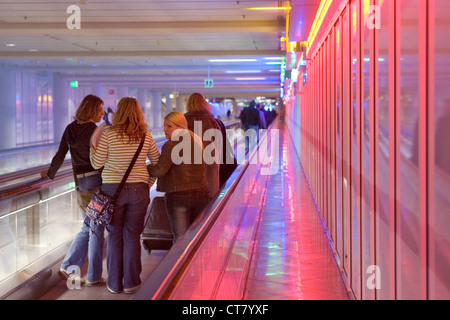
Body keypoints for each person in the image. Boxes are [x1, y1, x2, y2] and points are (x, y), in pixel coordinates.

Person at [90, 97, 160, 294]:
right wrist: (147, 182)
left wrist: (92, 148)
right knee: (132, 235)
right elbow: (156, 162)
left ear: (118, 112)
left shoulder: (109, 135)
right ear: (138, 112)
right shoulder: (146, 136)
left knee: (114, 236)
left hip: (112, 191)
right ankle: (131, 282)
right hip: (139, 190)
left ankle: (114, 283)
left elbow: (96, 164)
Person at [41, 94, 105, 286]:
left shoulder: (70, 128)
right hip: (96, 183)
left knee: (89, 225)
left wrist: (50, 173)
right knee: (95, 228)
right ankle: (90, 274)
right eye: (100, 109)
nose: (102, 113)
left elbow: (61, 154)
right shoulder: (95, 130)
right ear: (93, 110)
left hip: (81, 184)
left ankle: (69, 267)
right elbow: (102, 158)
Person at [147, 111, 210, 242]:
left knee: (181, 241)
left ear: (180, 127)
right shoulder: (197, 140)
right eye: (164, 125)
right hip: (201, 192)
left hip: (178, 196)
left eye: (169, 126)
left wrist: (144, 167)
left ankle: (183, 263)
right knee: (197, 237)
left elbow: (159, 171)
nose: (165, 129)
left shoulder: (171, 145)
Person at [184, 92, 221, 198]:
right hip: (210, 159)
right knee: (210, 191)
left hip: (190, 160)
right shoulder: (212, 121)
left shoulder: (185, 120)